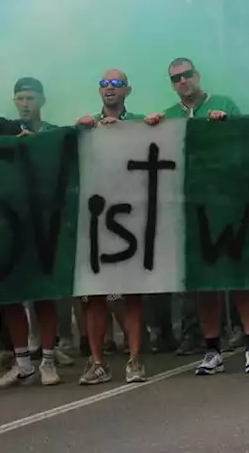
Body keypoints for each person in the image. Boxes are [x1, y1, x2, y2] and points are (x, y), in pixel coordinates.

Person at [144, 58, 249, 375]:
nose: (182, 81)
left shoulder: (224, 104)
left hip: (229, 205)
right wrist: (149, 127)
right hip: (191, 212)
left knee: (240, 278)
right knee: (204, 283)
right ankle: (212, 350)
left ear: (197, 76)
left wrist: (228, 125)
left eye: (186, 75)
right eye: (175, 79)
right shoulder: (169, 116)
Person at [0, 66, 71, 386]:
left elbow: (68, 159)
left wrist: (37, 143)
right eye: (20, 98)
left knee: (44, 295)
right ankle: (22, 362)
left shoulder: (54, 132)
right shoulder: (6, 128)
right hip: (9, 225)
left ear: (42, 100)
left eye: (30, 97)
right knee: (11, 293)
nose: (24, 103)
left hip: (44, 223)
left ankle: (48, 361)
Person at [75, 69, 148, 385]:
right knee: (95, 293)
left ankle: (135, 360)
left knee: (131, 293)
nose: (110, 88)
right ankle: (98, 362)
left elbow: (153, 143)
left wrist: (137, 127)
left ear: (127, 91)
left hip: (131, 216)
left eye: (117, 84)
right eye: (104, 83)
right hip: (95, 218)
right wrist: (81, 130)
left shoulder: (140, 120)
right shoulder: (88, 123)